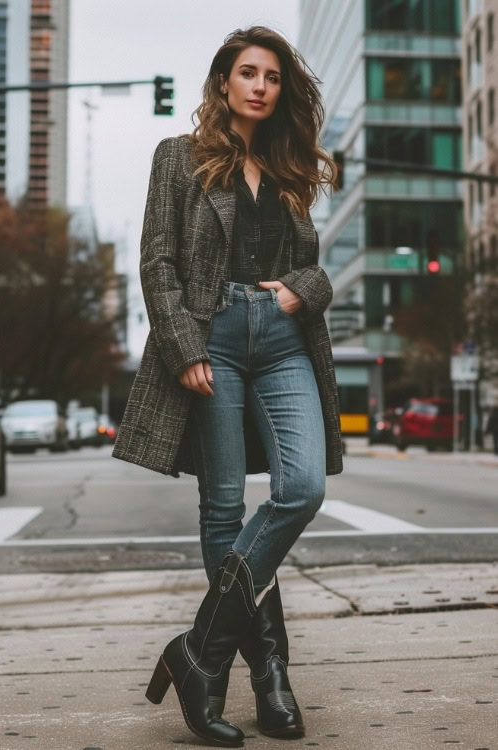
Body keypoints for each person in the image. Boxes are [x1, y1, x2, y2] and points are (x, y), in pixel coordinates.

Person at [112, 25, 343, 747]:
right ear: (222, 82)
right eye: (248, 73)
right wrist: (182, 346)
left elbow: (313, 265)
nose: (260, 87)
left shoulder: (289, 167)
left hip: (280, 339)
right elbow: (158, 260)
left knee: (301, 488)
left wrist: (299, 292)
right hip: (211, 338)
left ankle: (200, 654)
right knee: (221, 509)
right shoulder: (178, 159)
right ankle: (271, 675)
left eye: (272, 78)